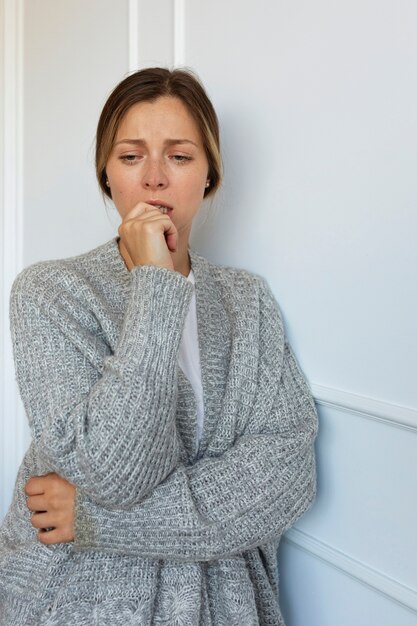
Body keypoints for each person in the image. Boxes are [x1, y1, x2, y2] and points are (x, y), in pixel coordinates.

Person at [0, 67, 318, 625]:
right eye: (129, 156)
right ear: (106, 174)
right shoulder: (50, 293)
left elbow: (285, 476)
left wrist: (101, 519)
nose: (153, 179)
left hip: (224, 604)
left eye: (178, 156)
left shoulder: (249, 301)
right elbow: (113, 472)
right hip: (81, 602)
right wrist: (156, 283)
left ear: (209, 176)